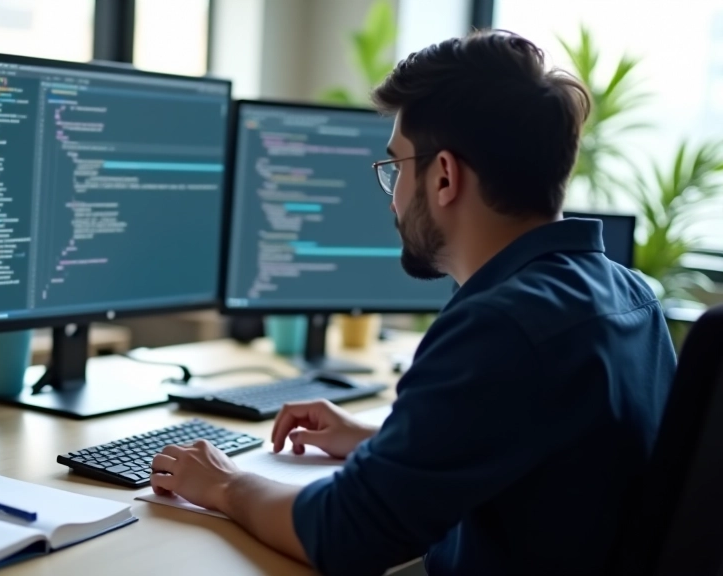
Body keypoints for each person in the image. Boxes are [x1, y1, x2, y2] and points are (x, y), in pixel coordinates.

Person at [150, 30, 677, 576]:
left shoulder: (498, 326)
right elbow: (550, 460)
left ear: (444, 175)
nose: (394, 198)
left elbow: (343, 533)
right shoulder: (630, 294)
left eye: (397, 167)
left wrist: (225, 483)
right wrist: (381, 443)